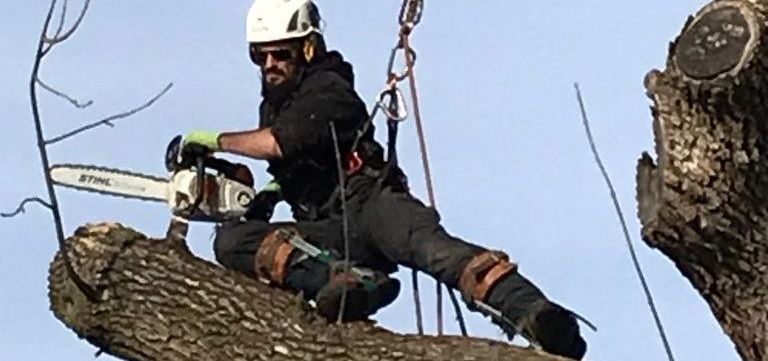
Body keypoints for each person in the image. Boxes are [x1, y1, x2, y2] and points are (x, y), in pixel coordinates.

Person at [180, 0, 587, 358]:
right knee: (233, 240)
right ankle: (352, 282)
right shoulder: (274, 107)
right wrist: (266, 194)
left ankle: (537, 317)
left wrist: (215, 142)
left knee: (435, 251)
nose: (270, 66)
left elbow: (283, 143)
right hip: (331, 226)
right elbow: (298, 166)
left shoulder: (329, 90)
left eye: (280, 54)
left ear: (307, 48)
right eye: (260, 56)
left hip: (375, 202)